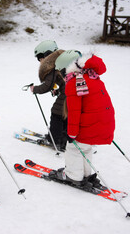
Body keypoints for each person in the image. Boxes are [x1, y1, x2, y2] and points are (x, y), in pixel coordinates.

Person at [50, 50, 115, 189]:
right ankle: (84, 174)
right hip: (102, 122)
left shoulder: (74, 82)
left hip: (89, 123)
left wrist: (71, 133)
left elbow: (74, 112)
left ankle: (73, 175)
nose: (62, 76)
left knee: (73, 148)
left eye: (61, 72)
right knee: (85, 148)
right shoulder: (92, 77)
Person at [30, 40, 67, 151]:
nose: (40, 61)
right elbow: (64, 80)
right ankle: (64, 140)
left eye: (40, 58)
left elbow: (47, 86)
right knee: (66, 115)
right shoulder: (62, 59)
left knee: (57, 113)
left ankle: (55, 140)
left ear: (47, 54)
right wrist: (59, 91)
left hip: (68, 93)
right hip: (72, 91)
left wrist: (35, 89)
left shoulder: (52, 64)